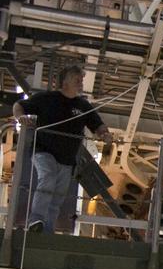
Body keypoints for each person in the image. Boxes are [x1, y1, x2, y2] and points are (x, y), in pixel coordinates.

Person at [12, 64, 114, 234]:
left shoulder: (83, 105)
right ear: (65, 82)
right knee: (48, 176)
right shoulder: (46, 98)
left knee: (58, 197)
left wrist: (105, 134)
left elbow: (97, 124)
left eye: (81, 80)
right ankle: (35, 220)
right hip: (43, 151)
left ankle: (47, 230)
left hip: (67, 160)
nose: (81, 83)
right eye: (77, 80)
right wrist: (20, 118)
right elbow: (19, 106)